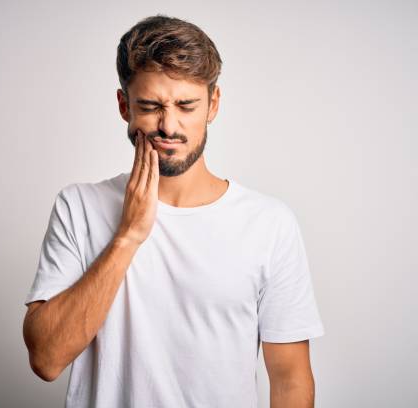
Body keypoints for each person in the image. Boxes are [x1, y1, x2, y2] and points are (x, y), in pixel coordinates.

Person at [22, 14, 325, 408]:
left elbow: (289, 380)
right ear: (123, 105)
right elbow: (46, 358)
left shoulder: (269, 224)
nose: (168, 126)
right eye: (150, 106)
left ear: (213, 104)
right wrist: (128, 235)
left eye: (186, 105)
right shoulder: (78, 207)